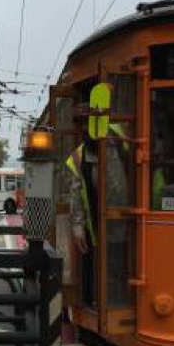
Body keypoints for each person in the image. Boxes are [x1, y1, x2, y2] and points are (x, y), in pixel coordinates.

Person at [66, 116, 129, 307]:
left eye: (88, 122)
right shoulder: (79, 156)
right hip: (102, 221)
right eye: (83, 124)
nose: (86, 127)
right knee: (111, 268)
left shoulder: (122, 135)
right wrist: (77, 227)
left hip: (134, 218)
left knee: (125, 266)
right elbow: (76, 193)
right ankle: (114, 306)